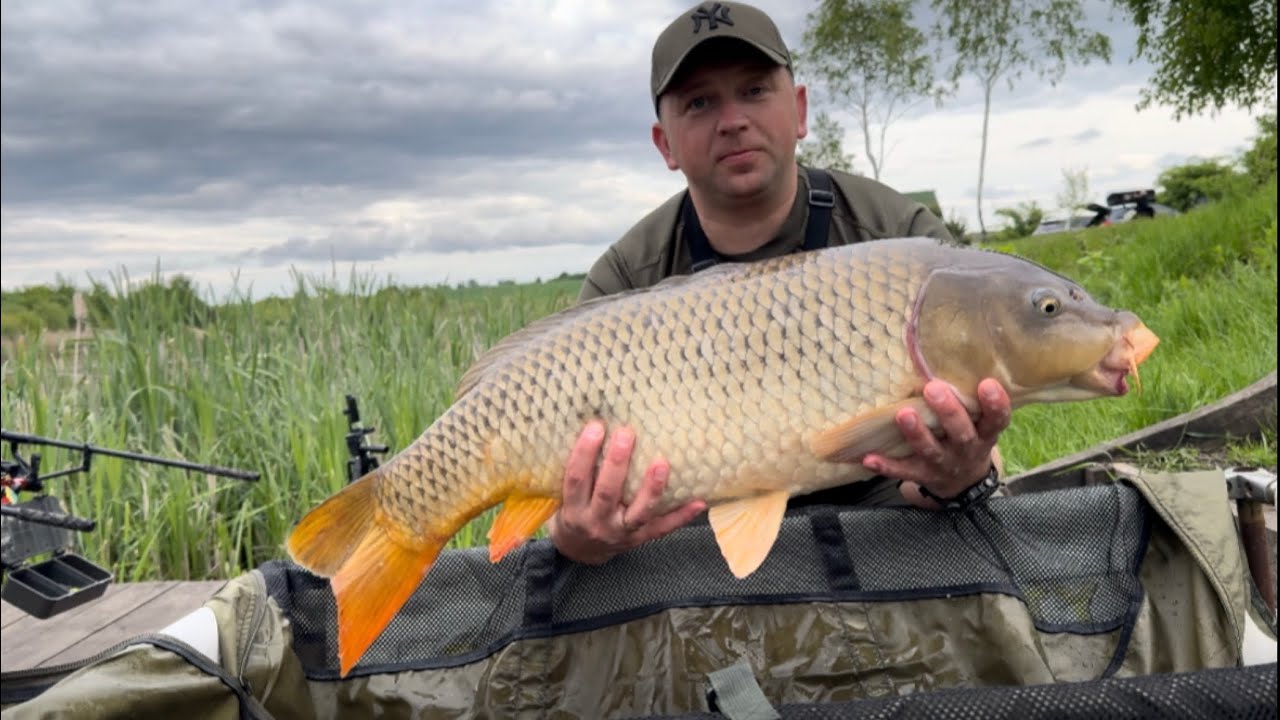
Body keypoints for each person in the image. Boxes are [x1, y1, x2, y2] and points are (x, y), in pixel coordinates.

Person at [547, 1, 1011, 565]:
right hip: (690, 545)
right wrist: (580, 538)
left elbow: (976, 458)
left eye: (754, 91)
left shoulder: (902, 242)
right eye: (699, 102)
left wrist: (963, 475)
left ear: (798, 109)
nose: (732, 120)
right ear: (664, 143)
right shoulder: (626, 280)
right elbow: (566, 523)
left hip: (888, 527)